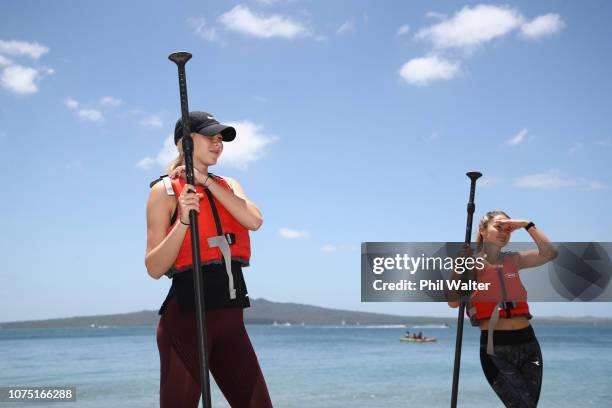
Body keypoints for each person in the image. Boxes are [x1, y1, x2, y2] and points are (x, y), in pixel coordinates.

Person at [145, 111, 273, 408]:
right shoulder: (162, 191)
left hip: (231, 323)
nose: (218, 144)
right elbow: (154, 267)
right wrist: (184, 222)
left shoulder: (229, 184)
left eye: (221, 139)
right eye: (210, 137)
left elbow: (253, 220)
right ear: (186, 144)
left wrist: (207, 183)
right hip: (185, 322)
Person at [448, 211, 557, 407]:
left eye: (508, 229)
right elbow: (453, 301)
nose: (504, 232)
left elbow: (550, 254)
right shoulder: (470, 263)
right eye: (499, 226)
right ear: (482, 230)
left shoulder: (513, 260)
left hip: (529, 345)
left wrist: (526, 224)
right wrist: (459, 267)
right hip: (495, 348)